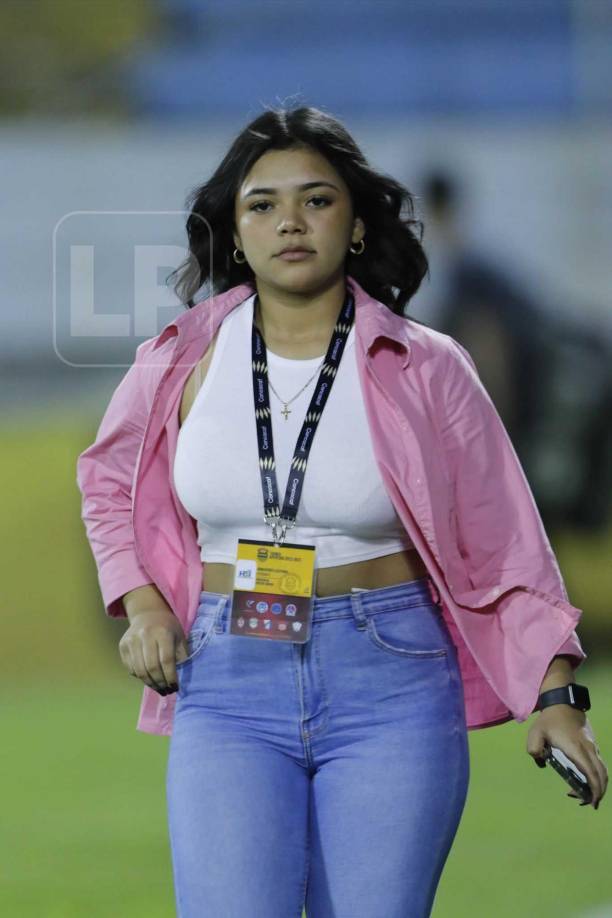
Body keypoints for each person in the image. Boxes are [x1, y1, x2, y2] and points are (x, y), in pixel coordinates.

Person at [76, 105, 607, 918]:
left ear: (356, 225)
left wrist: (558, 699)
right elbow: (108, 482)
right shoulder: (179, 357)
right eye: (262, 204)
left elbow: (507, 543)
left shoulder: (429, 367)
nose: (290, 221)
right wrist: (143, 603)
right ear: (235, 233)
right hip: (228, 679)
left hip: (392, 682)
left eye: (317, 200)